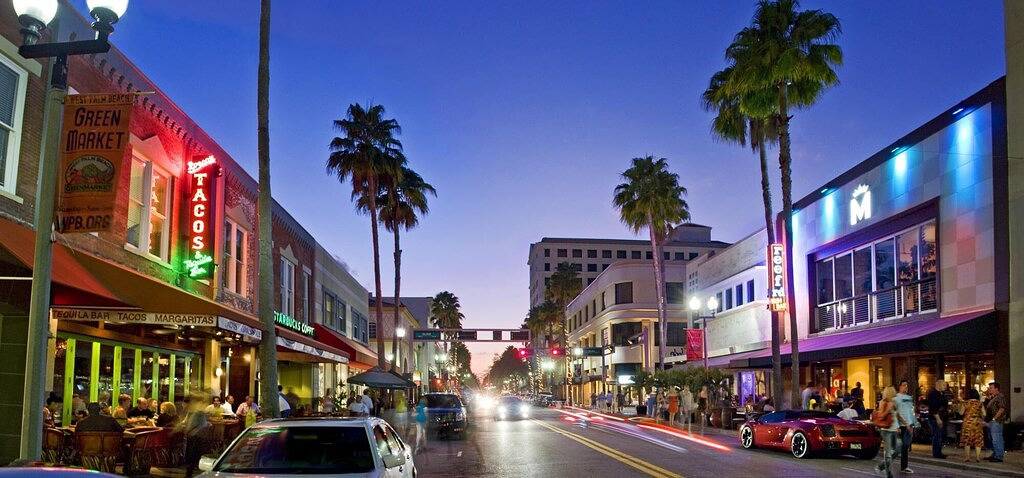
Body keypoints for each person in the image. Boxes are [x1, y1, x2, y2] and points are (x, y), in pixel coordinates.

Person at [874, 386, 899, 478]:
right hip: (886, 430)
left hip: (894, 429)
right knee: (888, 453)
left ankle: (881, 466)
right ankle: (889, 474)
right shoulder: (883, 402)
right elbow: (880, 416)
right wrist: (888, 410)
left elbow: (897, 416)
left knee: (897, 449)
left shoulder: (895, 402)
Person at [894, 379, 918, 473]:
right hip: (901, 425)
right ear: (899, 386)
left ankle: (904, 466)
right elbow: (895, 413)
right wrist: (896, 426)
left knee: (906, 445)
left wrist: (913, 423)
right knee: (902, 446)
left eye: (907, 385)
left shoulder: (909, 398)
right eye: (904, 385)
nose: (905, 387)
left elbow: (911, 412)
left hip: (909, 424)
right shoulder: (896, 398)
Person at [959, 388, 985, 463]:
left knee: (967, 440)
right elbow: (984, 414)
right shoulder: (980, 403)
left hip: (967, 423)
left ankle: (967, 457)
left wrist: (960, 405)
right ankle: (977, 457)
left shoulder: (965, 403)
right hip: (977, 422)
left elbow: (961, 413)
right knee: (978, 440)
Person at [926, 380, 949, 458]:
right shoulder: (933, 394)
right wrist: (938, 418)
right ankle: (936, 453)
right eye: (943, 385)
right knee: (937, 435)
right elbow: (933, 407)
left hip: (942, 416)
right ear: (938, 385)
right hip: (935, 418)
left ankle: (939, 451)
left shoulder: (941, 394)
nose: (945, 387)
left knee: (940, 435)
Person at [984, 381, 1006, 463]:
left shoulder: (1000, 397)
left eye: (991, 388)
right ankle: (995, 454)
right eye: (989, 388)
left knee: (997, 439)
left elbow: (1002, 408)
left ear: (996, 389)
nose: (989, 389)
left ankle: (998, 456)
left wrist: (994, 419)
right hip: (991, 422)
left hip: (996, 422)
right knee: (992, 439)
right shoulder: (993, 397)